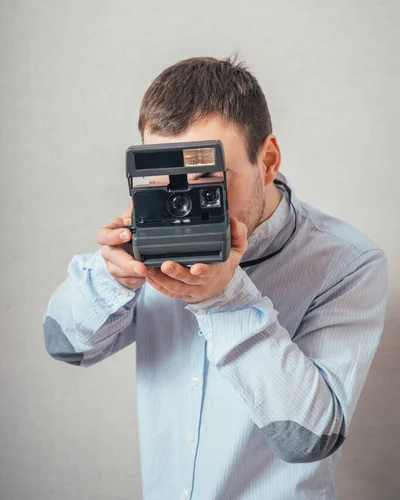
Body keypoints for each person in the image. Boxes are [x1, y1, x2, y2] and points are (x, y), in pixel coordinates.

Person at [43, 56, 388, 500]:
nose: (183, 199)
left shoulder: (348, 262)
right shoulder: (149, 237)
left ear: (267, 160)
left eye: (207, 181)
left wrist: (225, 299)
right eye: (166, 181)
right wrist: (113, 277)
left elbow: (309, 438)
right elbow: (64, 345)